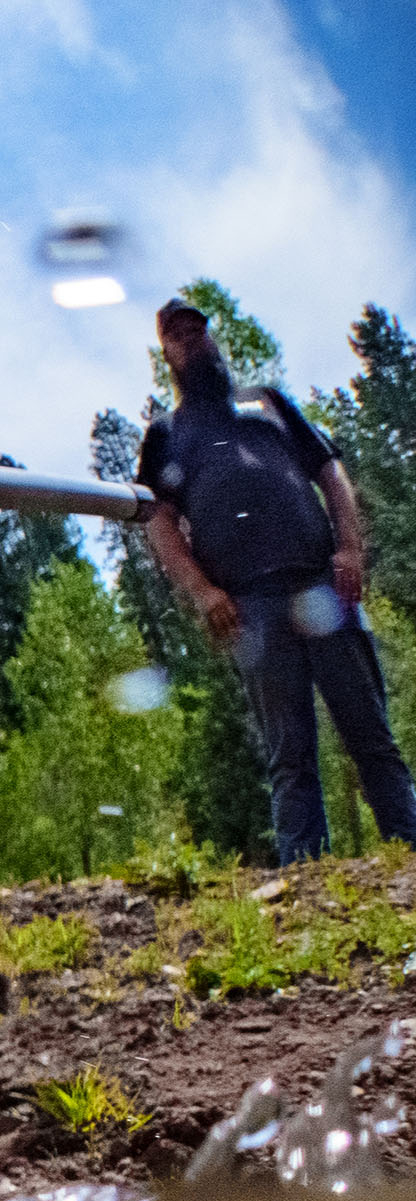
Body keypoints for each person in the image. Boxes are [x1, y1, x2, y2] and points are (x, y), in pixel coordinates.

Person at [137, 295, 416, 866]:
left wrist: (350, 548)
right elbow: (160, 523)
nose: (195, 341)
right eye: (180, 336)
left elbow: (329, 470)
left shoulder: (266, 403)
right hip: (252, 606)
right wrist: (204, 593)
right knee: (290, 754)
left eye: (200, 331)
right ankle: (307, 881)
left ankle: (410, 853)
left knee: (372, 736)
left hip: (324, 588)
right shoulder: (166, 434)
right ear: (167, 354)